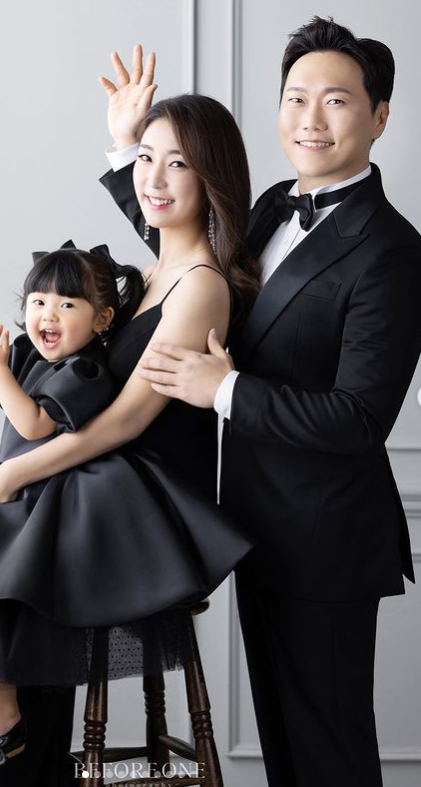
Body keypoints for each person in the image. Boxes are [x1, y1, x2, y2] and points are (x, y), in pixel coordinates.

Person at [0, 102, 257, 776]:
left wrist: (17, 470)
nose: (154, 178)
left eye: (178, 163)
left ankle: (6, 722)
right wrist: (5, 452)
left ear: (211, 177)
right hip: (94, 473)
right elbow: (70, 397)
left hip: (137, 495)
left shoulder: (200, 287)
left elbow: (127, 419)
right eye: (146, 160)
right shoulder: (148, 277)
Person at [111, 20, 421, 787]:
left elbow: (358, 418)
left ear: (379, 115)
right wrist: (128, 153)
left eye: (335, 101)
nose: (310, 118)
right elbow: (188, 271)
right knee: (286, 747)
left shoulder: (392, 249)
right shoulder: (274, 205)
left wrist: (223, 389)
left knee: (328, 753)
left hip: (326, 541)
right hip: (256, 526)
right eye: (295, 98)